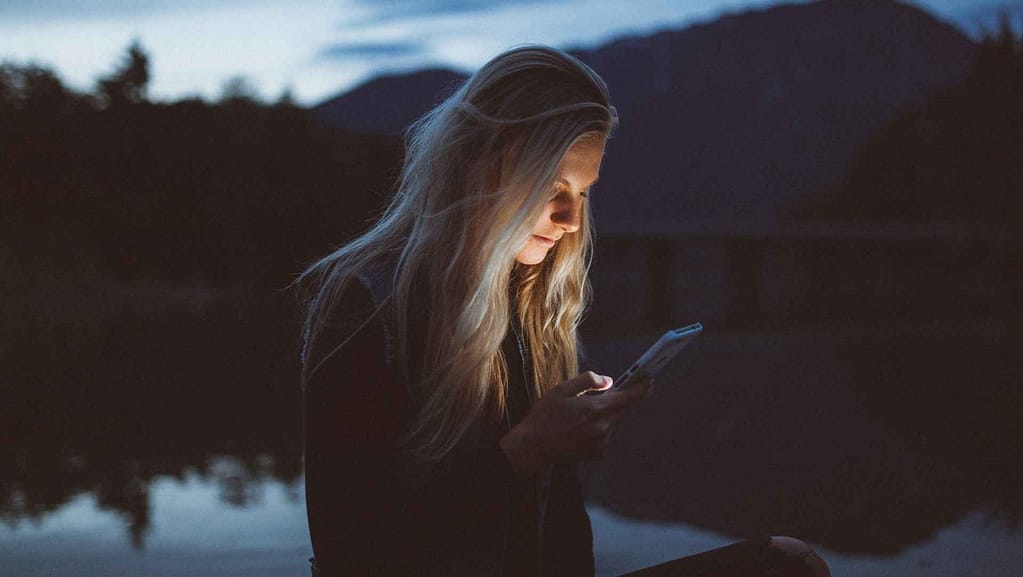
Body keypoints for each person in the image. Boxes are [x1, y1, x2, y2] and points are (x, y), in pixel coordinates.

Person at [295, 45, 830, 577]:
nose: (572, 219)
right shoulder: (366, 302)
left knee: (788, 564)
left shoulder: (527, 301)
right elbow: (354, 548)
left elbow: (560, 532)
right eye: (553, 187)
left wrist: (552, 449)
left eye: (582, 191)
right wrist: (526, 450)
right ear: (482, 163)